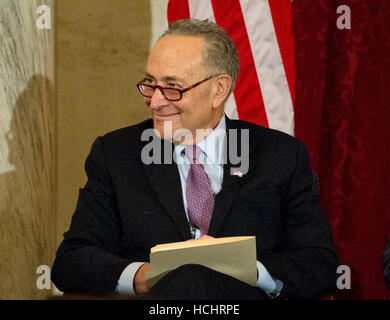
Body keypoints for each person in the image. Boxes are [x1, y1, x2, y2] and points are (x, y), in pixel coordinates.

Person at [51, 19, 339, 300]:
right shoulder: (115, 154)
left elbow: (319, 261)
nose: (156, 100)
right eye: (150, 84)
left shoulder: (280, 156)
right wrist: (148, 275)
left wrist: (254, 273)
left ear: (219, 89)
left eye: (173, 87)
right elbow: (72, 261)